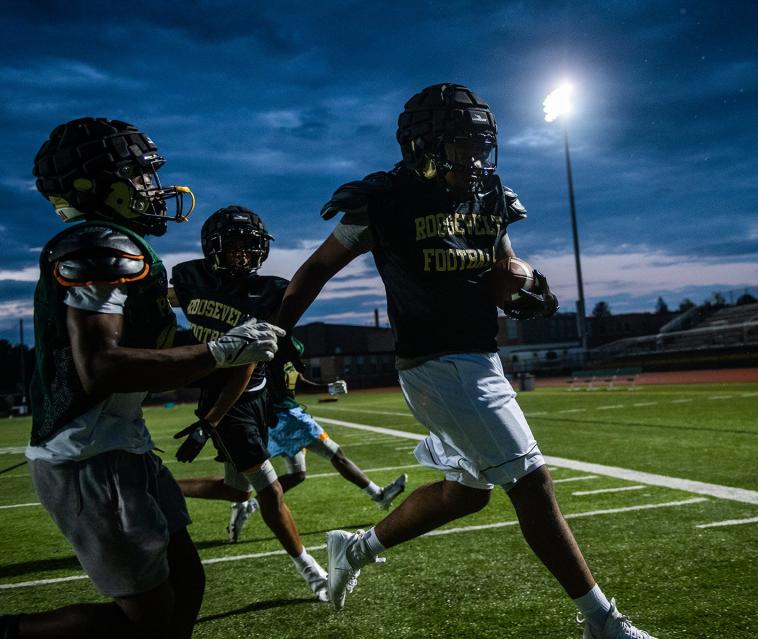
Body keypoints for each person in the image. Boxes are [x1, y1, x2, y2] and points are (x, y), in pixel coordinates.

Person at [278, 84, 656, 638]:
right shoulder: (384, 199)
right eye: (462, 146)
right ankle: (601, 623)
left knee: (466, 495)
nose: (475, 159)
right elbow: (314, 270)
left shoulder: (491, 193)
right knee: (532, 482)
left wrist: (528, 290)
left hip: (481, 357)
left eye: (481, 146)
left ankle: (354, 549)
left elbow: (505, 270)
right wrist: (279, 332)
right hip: (435, 365)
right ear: (423, 146)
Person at [0, 118, 283, 639]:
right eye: (140, 175)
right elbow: (103, 366)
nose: (153, 187)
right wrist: (220, 350)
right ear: (97, 185)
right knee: (147, 622)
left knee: (187, 585)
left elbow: (150, 347)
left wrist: (221, 350)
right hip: (88, 450)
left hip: (121, 442)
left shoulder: (121, 242)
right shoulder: (100, 246)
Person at [167, 205, 328, 600]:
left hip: (255, 394)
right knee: (270, 491)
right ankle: (314, 574)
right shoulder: (191, 278)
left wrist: (209, 422)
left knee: (239, 492)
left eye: (249, 246)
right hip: (226, 401)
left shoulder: (268, 292)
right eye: (234, 245)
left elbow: (249, 361)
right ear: (213, 248)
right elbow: (165, 300)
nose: (243, 254)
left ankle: (163, 486)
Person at [226, 337, 408, 542]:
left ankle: (250, 505)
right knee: (336, 453)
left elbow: (297, 382)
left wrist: (327, 388)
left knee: (297, 475)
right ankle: (378, 495)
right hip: (287, 417)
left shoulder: (285, 344)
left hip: (281, 417)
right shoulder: (271, 344)